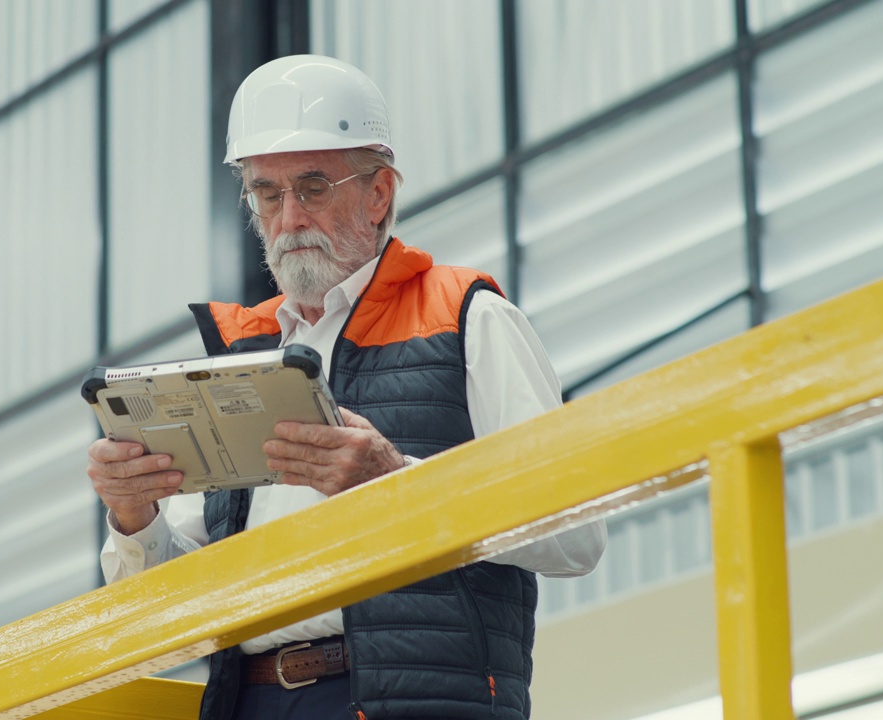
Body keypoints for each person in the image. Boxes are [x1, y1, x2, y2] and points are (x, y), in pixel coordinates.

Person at [87, 54, 607, 720]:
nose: (289, 216)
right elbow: (163, 604)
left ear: (379, 193)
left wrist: (397, 480)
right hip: (250, 702)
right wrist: (135, 516)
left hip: (417, 701)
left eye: (312, 186)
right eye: (266, 193)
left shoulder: (467, 318)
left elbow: (577, 533)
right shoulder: (239, 357)